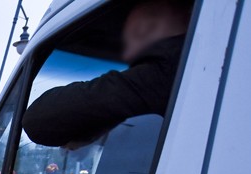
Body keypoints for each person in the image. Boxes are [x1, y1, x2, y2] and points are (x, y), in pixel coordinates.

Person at [23, 0, 192, 148]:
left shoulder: (168, 72)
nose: (127, 55)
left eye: (136, 33)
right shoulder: (189, 73)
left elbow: (38, 120)